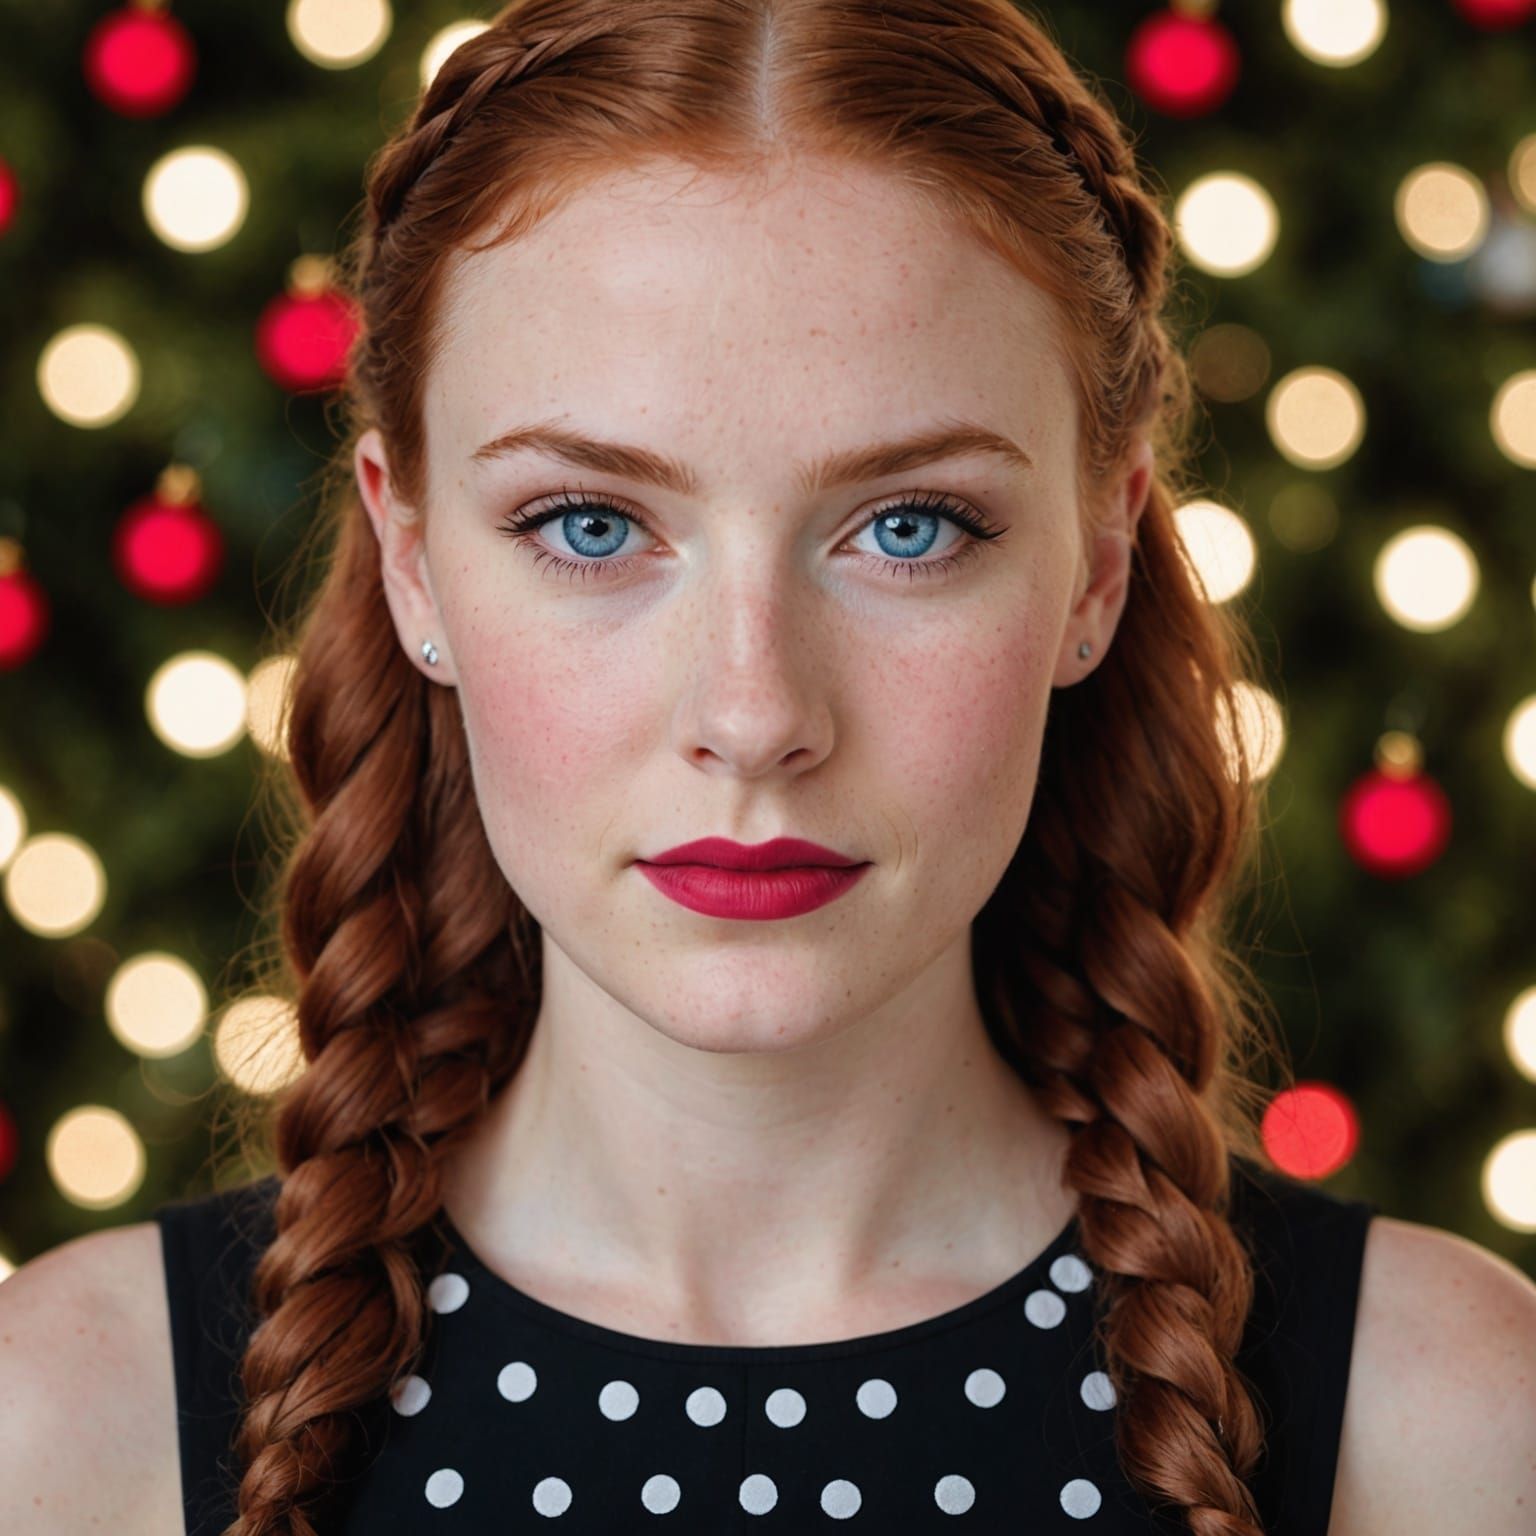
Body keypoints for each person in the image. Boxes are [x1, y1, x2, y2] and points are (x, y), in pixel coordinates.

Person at [4, 2, 1535, 1533]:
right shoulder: (70, 1425)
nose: (753, 714)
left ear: (1099, 562)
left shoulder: (1448, 1418)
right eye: (590, 525)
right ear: (413, 564)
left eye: (911, 526)